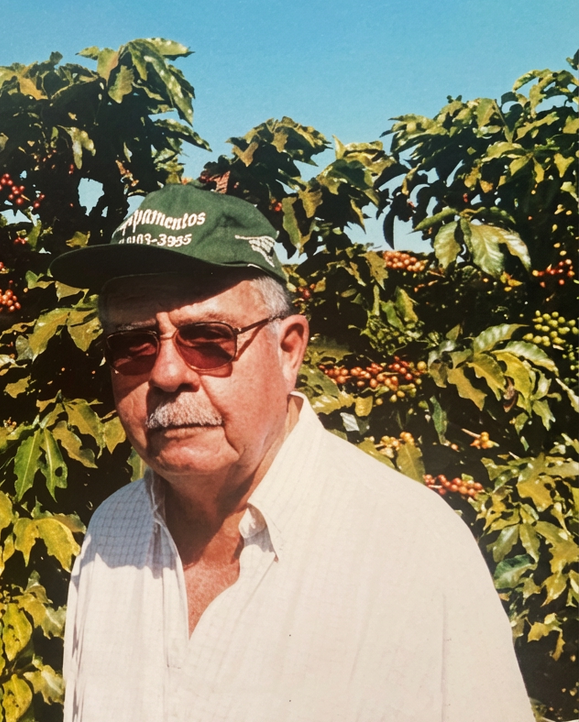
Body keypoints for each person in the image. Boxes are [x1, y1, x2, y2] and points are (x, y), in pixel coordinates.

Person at [50, 185, 533, 722]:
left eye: (208, 338)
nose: (166, 374)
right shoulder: (110, 533)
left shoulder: (412, 546)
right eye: (134, 344)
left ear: (289, 351)